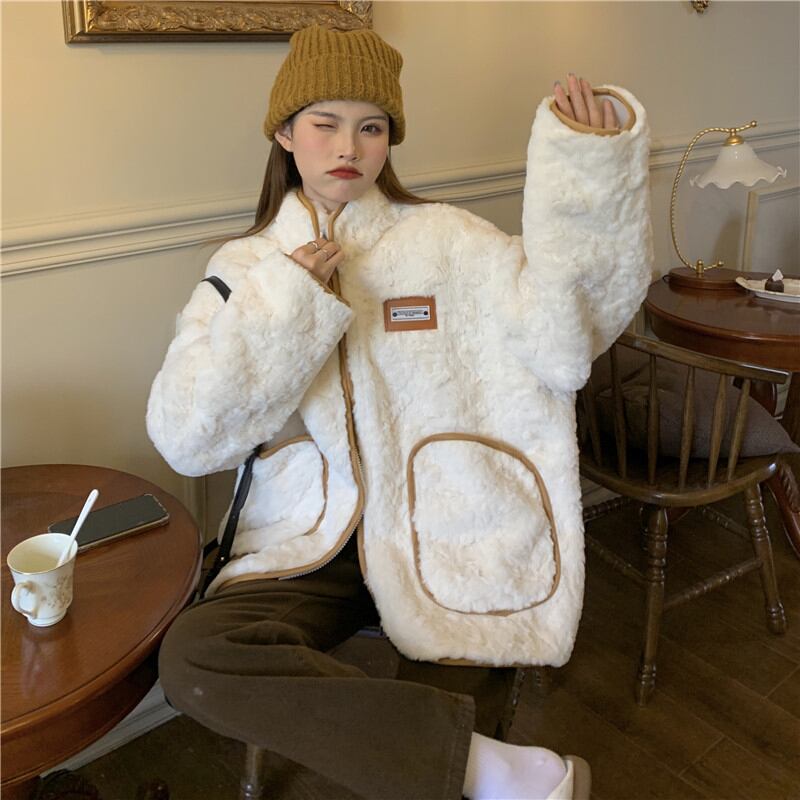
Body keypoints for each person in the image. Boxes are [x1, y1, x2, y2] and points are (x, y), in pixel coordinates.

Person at [148, 24, 653, 800]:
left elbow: (565, 338)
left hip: (444, 527)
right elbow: (188, 438)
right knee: (194, 659)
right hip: (311, 544)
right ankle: (495, 769)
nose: (349, 147)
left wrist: (591, 172)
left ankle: (469, 766)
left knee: (464, 663)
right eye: (325, 123)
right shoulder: (242, 270)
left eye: (372, 127)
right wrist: (288, 306)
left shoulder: (450, 242)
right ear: (284, 133)